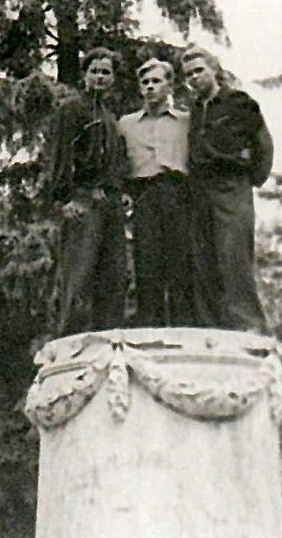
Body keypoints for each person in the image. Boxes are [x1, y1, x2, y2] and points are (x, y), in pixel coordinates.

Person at [179, 46, 274, 333]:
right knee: (204, 258)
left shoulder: (238, 102)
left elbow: (263, 145)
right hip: (201, 189)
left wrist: (250, 180)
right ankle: (212, 328)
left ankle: (249, 327)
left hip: (232, 186)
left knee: (234, 256)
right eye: (189, 75)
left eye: (199, 70)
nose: (194, 78)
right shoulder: (194, 111)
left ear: (214, 69)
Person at [48, 47, 128, 336]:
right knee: (78, 274)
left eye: (106, 72)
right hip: (82, 199)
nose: (100, 77)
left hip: (109, 203)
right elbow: (59, 155)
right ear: (85, 75)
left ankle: (106, 340)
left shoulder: (109, 115)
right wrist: (63, 198)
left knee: (113, 274)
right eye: (94, 71)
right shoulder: (72, 108)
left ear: (113, 79)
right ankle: (70, 342)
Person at [118, 58, 196, 327]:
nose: (150, 87)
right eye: (145, 82)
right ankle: (149, 325)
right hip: (144, 195)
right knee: (147, 260)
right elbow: (118, 163)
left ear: (169, 85)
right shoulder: (126, 124)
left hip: (177, 193)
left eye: (156, 81)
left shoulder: (185, 121)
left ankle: (184, 327)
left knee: (180, 260)